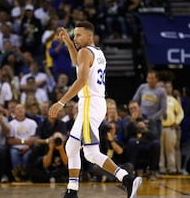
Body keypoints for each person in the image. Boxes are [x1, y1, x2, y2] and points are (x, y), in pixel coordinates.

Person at [48, 21, 142, 198]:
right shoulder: (97, 52)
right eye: (74, 35)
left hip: (90, 104)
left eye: (78, 35)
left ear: (89, 36)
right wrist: (68, 42)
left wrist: (60, 102)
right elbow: (77, 62)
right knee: (71, 146)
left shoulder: (85, 51)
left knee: (91, 153)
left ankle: (127, 178)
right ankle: (72, 191)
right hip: (96, 103)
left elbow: (81, 80)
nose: (76, 38)